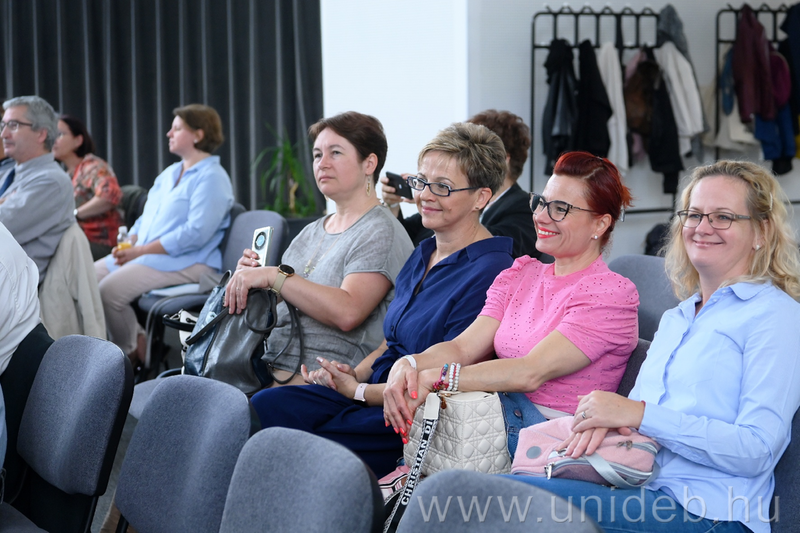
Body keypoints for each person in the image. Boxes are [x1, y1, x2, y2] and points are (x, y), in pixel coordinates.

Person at [508, 160, 800, 533]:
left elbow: (757, 450)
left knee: (499, 500)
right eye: (694, 215)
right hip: (637, 485)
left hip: (712, 511)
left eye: (723, 217)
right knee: (485, 491)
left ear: (761, 230)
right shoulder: (679, 317)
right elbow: (635, 423)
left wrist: (639, 414)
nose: (702, 227)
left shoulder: (776, 316)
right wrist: (605, 422)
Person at [248, 122, 515, 476]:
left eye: (443, 187)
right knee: (267, 406)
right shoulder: (424, 252)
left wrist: (357, 390)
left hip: (413, 412)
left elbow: (446, 374)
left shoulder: (493, 269)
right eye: (421, 182)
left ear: (480, 198)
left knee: (292, 442)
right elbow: (391, 342)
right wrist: (350, 374)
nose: (425, 196)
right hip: (373, 391)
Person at [383, 151, 639, 457]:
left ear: (600, 224)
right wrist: (410, 363)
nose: (541, 216)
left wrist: (435, 377)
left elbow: (529, 372)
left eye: (560, 209)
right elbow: (463, 347)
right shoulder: (521, 273)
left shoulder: (610, 294)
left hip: (551, 446)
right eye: (541, 202)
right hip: (492, 426)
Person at [226, 111, 413, 386]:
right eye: (317, 155)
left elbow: (348, 312)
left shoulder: (380, 230)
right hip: (266, 362)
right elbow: (285, 300)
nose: (322, 164)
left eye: (335, 153)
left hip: (321, 376)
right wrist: (253, 282)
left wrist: (274, 276)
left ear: (369, 163)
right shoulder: (311, 231)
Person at [95, 104, 234, 365]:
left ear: (198, 135)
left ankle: (130, 356)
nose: (169, 133)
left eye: (177, 128)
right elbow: (145, 219)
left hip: (190, 262)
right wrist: (130, 241)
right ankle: (135, 340)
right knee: (87, 278)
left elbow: (196, 233)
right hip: (148, 255)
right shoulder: (169, 174)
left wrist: (140, 251)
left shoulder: (213, 177)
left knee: (108, 292)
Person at [381, 109, 539, 259]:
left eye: (443, 186)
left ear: (503, 160)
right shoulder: (439, 201)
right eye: (422, 181)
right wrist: (395, 205)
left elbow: (503, 246)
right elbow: (404, 238)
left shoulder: (525, 207)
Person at [0, 96, 74, 279]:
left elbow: (3, 227)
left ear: (41, 134)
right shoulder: (12, 172)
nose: (3, 134)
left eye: (13, 125)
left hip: (10, 286)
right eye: (3, 125)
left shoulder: (51, 182)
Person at [53, 114, 123, 260]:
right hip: (76, 240)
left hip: (101, 244)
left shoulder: (93, 166)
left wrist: (75, 214)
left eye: (59, 134)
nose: (53, 140)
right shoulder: (66, 175)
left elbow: (109, 197)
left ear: (78, 140)